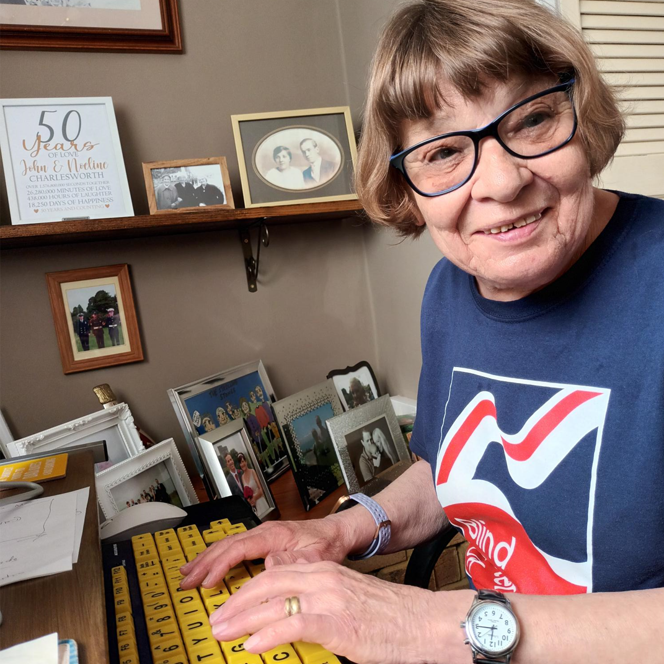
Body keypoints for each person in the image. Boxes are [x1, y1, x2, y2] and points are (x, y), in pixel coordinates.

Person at [180, 2, 663, 662]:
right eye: (442, 152)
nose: (502, 181)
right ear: (406, 186)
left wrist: (439, 626)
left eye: (534, 119)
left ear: (583, 115)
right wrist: (344, 531)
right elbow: (453, 472)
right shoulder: (449, 291)